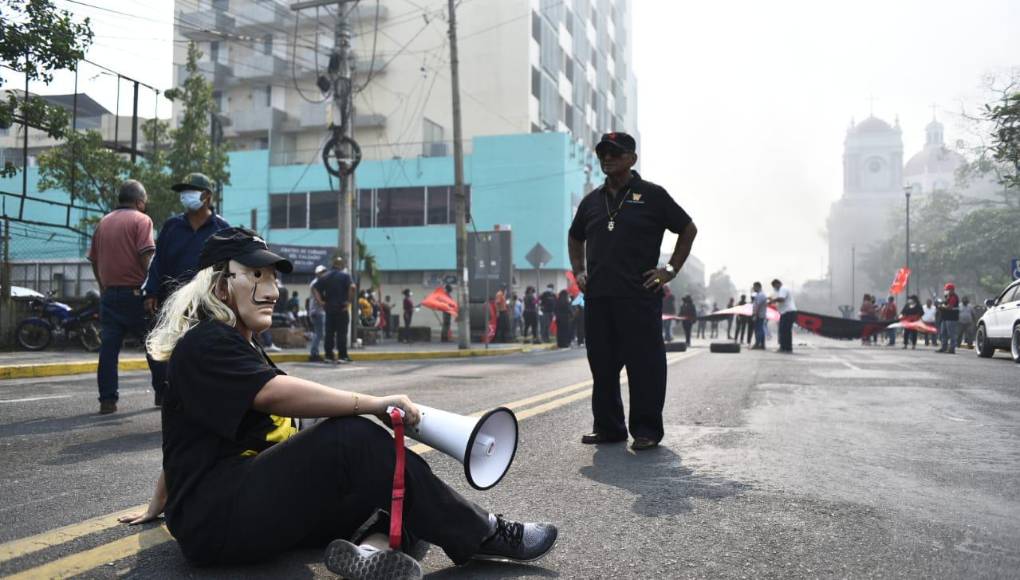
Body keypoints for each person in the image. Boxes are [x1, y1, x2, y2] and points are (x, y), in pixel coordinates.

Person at [121, 227, 557, 579]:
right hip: (217, 522)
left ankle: (371, 553)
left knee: (398, 489)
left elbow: (184, 435)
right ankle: (485, 532)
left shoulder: (239, 344)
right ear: (220, 284)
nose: (272, 289)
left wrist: (159, 502)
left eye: (273, 277)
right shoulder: (207, 343)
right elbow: (274, 393)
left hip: (242, 511)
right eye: (257, 276)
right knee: (351, 436)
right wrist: (370, 403)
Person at [568, 131, 698, 451]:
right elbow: (575, 236)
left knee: (645, 365)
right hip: (599, 297)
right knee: (602, 365)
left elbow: (687, 228)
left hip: (639, 296)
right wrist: (579, 271)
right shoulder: (591, 201)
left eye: (615, 152)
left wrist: (670, 270)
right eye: (603, 152)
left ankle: (646, 430)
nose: (607, 158)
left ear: (632, 159)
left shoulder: (652, 195)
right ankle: (609, 427)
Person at [144, 173, 231, 406]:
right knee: (159, 348)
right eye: (184, 192)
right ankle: (163, 388)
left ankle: (196, 396)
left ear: (207, 196)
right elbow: (158, 261)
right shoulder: (172, 227)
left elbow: (230, 267)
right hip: (171, 300)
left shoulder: (222, 229)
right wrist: (151, 292)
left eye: (191, 191)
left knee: (203, 351)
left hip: (207, 302)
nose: (185, 196)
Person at [87, 180, 155, 414]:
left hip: (110, 296)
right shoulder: (141, 220)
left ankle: (107, 400)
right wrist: (154, 287)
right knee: (154, 345)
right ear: (139, 202)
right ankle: (163, 395)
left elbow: (94, 260)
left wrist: (103, 286)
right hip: (136, 296)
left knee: (108, 350)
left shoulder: (103, 222)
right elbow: (146, 255)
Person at [313, 257, 354, 363]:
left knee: (329, 333)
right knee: (341, 333)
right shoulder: (345, 276)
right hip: (342, 309)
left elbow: (315, 288)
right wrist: (348, 302)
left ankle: (328, 356)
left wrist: (321, 302)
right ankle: (342, 356)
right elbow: (352, 287)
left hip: (329, 309)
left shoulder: (325, 277)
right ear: (341, 265)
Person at [768, 279, 796, 353]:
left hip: (788, 312)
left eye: (774, 286)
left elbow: (781, 299)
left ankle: (785, 348)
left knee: (784, 331)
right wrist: (773, 300)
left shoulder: (783, 289)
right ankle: (786, 348)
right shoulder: (783, 289)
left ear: (777, 284)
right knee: (785, 331)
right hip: (787, 312)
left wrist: (772, 301)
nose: (774, 288)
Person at [308, 266, 327, 362]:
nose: (324, 274)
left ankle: (314, 352)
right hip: (317, 311)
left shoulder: (317, 282)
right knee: (318, 334)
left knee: (318, 333)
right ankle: (314, 353)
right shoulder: (316, 283)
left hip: (316, 311)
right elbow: (318, 298)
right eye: (323, 272)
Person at [937, 283, 960, 354]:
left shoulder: (954, 297)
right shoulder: (948, 297)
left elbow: (950, 307)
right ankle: (944, 347)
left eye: (947, 289)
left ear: (952, 290)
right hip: (945, 318)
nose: (946, 291)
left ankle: (952, 349)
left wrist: (942, 306)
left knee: (951, 334)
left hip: (951, 319)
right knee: (943, 333)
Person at [750, 282, 767, 349]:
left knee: (758, 329)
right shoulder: (760, 294)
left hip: (759, 315)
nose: (753, 288)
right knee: (760, 329)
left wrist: (754, 315)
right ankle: (762, 344)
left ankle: (757, 344)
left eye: (754, 287)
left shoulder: (760, 295)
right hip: (760, 314)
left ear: (758, 286)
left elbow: (757, 306)